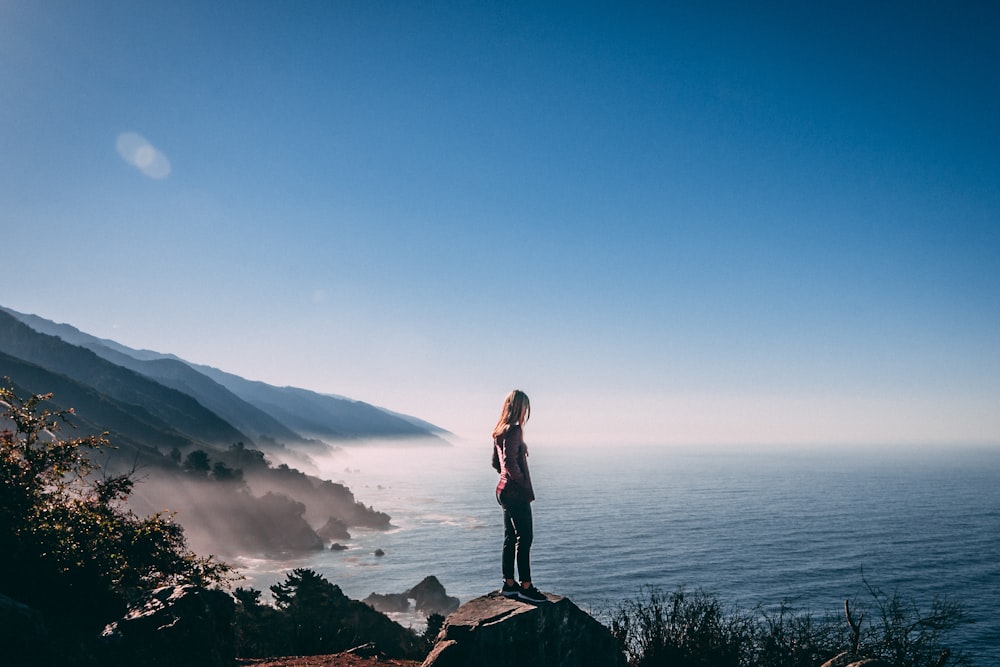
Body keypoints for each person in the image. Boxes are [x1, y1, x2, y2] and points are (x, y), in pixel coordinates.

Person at [491, 389, 547, 603]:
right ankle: (526, 586)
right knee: (525, 538)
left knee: (510, 537)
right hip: (515, 493)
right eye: (525, 407)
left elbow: (496, 463)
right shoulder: (514, 430)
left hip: (502, 491)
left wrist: (507, 477)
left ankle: (509, 584)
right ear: (519, 407)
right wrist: (522, 483)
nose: (526, 411)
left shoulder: (499, 430)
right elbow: (509, 461)